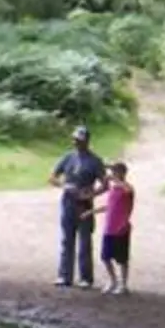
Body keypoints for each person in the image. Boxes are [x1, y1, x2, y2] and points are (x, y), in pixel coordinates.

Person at [48, 125, 108, 288]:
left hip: (84, 204)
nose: (76, 143)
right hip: (68, 201)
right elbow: (52, 177)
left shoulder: (95, 161)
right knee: (67, 239)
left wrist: (91, 194)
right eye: (75, 140)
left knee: (84, 241)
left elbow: (105, 184)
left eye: (80, 140)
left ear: (87, 141)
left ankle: (86, 277)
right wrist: (63, 185)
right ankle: (64, 275)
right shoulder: (67, 157)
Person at [83, 161, 135, 295]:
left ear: (122, 173)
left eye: (115, 172)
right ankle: (113, 281)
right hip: (109, 227)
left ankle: (123, 284)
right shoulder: (113, 190)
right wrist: (91, 212)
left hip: (121, 227)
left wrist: (116, 180)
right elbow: (109, 206)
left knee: (122, 259)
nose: (112, 175)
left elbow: (128, 190)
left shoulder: (126, 189)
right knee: (105, 257)